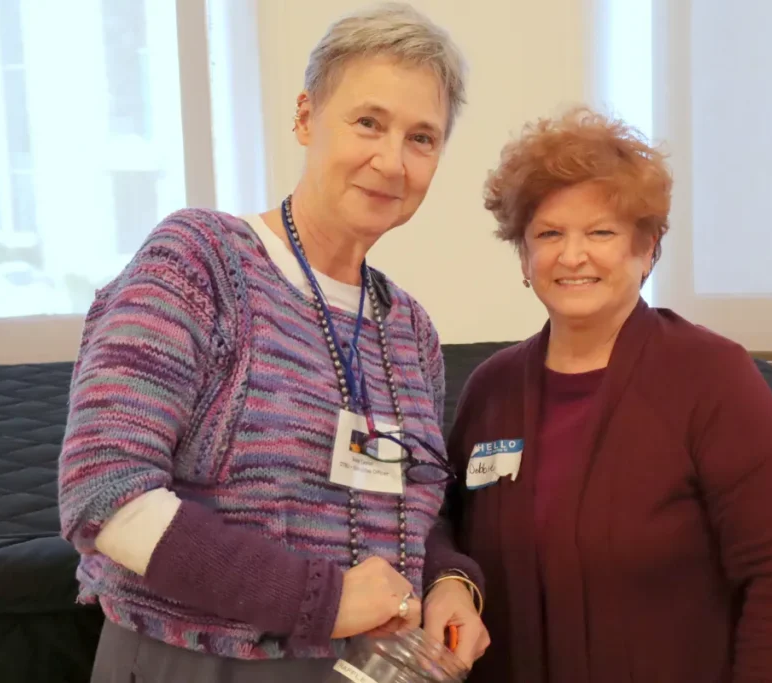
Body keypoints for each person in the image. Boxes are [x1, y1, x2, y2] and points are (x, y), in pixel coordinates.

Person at [57, 4, 489, 681]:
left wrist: (449, 583)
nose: (391, 160)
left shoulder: (410, 330)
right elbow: (105, 491)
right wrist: (325, 598)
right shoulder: (200, 262)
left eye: (422, 137)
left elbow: (416, 507)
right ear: (306, 118)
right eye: (368, 122)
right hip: (199, 662)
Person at [444, 108, 772, 682]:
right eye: (548, 234)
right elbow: (443, 525)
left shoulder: (714, 379)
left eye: (601, 232)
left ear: (646, 250)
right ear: (524, 256)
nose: (572, 256)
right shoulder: (491, 389)